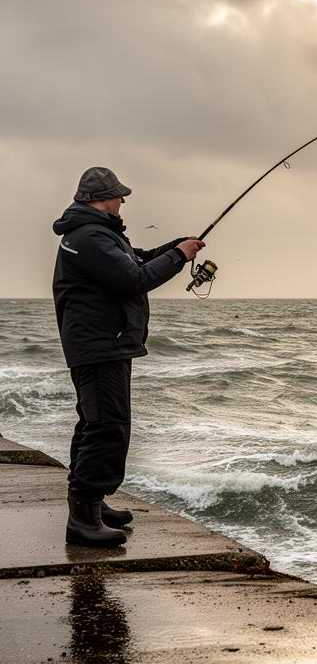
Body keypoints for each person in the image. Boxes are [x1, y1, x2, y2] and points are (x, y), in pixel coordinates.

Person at [52, 167, 205, 547]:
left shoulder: (99, 235)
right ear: (101, 199)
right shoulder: (90, 238)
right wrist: (178, 256)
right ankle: (82, 520)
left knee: (94, 423)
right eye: (119, 195)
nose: (123, 201)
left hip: (102, 343)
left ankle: (92, 504)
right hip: (99, 345)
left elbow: (137, 262)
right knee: (107, 427)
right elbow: (135, 280)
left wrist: (176, 248)